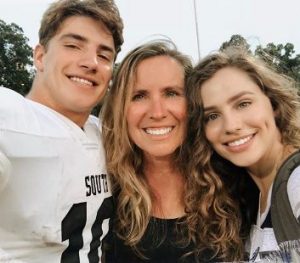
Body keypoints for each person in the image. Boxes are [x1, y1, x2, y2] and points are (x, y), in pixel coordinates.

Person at [0, 0, 123, 262]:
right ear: (40, 56)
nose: (91, 62)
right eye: (73, 45)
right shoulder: (11, 117)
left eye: (104, 55)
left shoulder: (107, 134)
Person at [101, 40, 243, 263]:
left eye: (171, 93)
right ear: (120, 110)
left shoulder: (237, 182)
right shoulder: (102, 199)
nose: (157, 113)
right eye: (139, 96)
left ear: (193, 104)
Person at [186, 47, 300, 261]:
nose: (231, 126)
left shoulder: (296, 182)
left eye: (243, 104)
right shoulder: (251, 199)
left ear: (273, 103)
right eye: (212, 116)